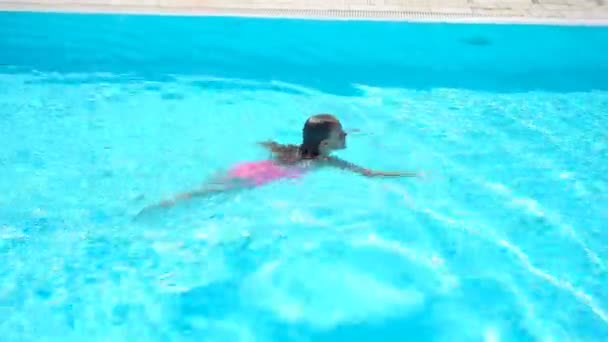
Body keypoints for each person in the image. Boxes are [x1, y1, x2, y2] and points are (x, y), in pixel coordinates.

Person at [137, 114, 421, 215]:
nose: (346, 135)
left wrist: (362, 130)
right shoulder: (324, 161)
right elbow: (369, 174)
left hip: (247, 168)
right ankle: (164, 205)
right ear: (325, 145)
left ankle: (166, 201)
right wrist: (411, 173)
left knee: (205, 189)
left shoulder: (298, 147)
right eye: (341, 134)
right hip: (257, 179)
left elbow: (268, 144)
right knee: (204, 195)